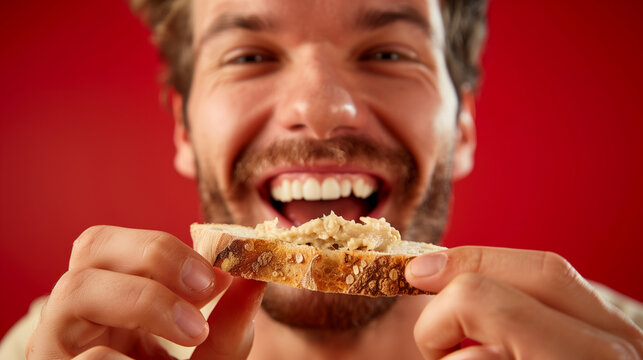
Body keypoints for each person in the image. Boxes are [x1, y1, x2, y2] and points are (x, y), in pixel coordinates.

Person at [2, 0, 642, 358]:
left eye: (387, 53)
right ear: (185, 131)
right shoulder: (66, 346)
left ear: (464, 126)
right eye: (250, 56)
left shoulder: (616, 345)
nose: (321, 109)